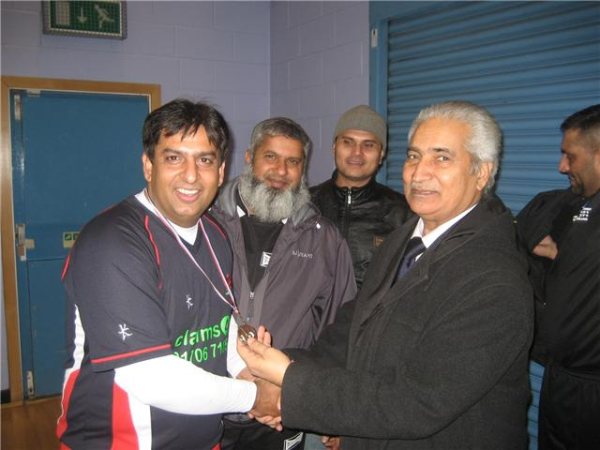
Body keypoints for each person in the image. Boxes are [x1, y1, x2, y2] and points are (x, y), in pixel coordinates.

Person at [239, 101, 535, 450]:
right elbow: (349, 331)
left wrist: (289, 388)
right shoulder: (404, 240)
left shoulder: (493, 279)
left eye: (442, 158)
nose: (419, 173)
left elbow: (418, 401)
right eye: (413, 156)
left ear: (482, 173)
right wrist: (283, 366)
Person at [56, 99, 277, 449]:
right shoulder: (113, 241)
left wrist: (246, 371)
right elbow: (150, 376)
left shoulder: (215, 234)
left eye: (204, 160)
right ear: (148, 165)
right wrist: (254, 395)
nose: (191, 175)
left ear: (221, 172)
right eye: (174, 158)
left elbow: (221, 326)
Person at [211, 117, 357, 450]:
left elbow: (339, 329)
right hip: (212, 402)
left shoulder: (324, 240)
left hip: (280, 407)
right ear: (249, 158)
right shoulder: (207, 222)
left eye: (293, 162)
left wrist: (329, 410)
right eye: (271, 157)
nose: (281, 171)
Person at [516, 104, 600, 450]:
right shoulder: (573, 203)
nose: (561, 166)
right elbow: (531, 216)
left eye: (571, 157)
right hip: (560, 380)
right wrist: (542, 243)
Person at [310, 105, 412, 288]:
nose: (357, 153)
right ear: (334, 147)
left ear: (381, 154)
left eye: (369, 145)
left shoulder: (403, 214)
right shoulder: (305, 205)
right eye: (348, 142)